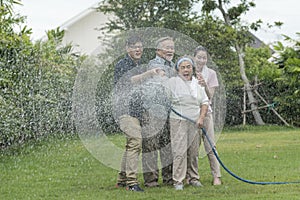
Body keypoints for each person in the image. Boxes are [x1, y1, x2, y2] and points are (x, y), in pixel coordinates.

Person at [164, 56, 209, 190]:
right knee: (179, 151)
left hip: (195, 121)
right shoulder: (172, 82)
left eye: (188, 67)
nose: (186, 70)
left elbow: (205, 102)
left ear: (192, 69)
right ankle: (178, 181)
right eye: (182, 67)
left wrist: (201, 118)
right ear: (178, 70)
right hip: (178, 121)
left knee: (193, 152)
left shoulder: (197, 83)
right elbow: (164, 99)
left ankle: (194, 178)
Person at [141, 36, 176, 187]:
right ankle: (151, 181)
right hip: (152, 110)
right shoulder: (153, 63)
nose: (170, 50)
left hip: (170, 110)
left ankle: (169, 179)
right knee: (151, 144)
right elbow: (162, 78)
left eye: (172, 48)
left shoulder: (174, 65)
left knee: (168, 145)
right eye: (167, 47)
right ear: (158, 50)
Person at [114, 35, 145, 192]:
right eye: (134, 47)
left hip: (136, 112)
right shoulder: (122, 64)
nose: (138, 49)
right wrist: (149, 74)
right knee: (135, 142)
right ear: (127, 49)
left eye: (140, 46)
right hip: (124, 110)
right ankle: (131, 183)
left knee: (130, 145)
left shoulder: (138, 65)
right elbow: (129, 80)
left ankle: (121, 179)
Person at [194, 45, 222, 186]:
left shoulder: (211, 73)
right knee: (192, 147)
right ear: (194, 57)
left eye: (204, 58)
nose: (201, 60)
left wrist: (204, 85)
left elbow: (210, 95)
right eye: (199, 57)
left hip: (206, 114)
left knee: (210, 145)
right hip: (191, 114)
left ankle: (217, 176)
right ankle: (192, 177)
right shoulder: (187, 71)